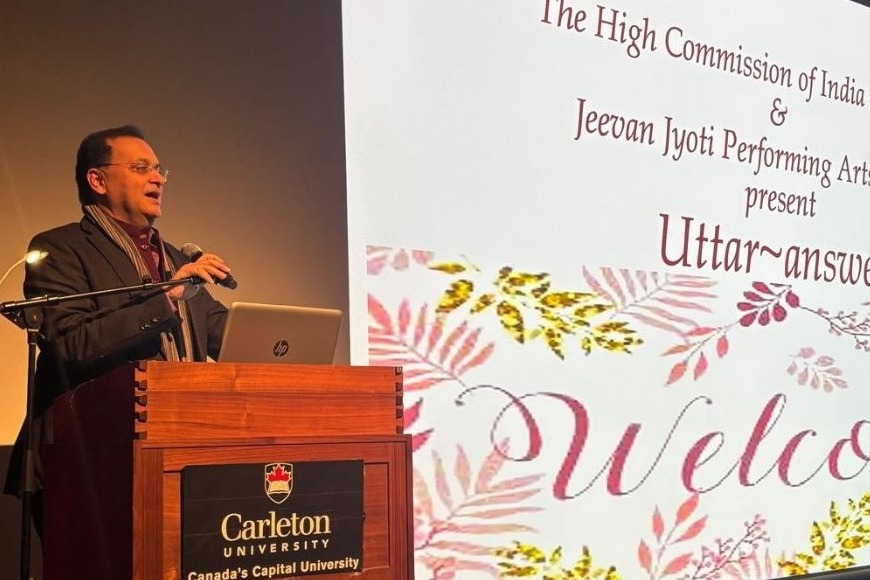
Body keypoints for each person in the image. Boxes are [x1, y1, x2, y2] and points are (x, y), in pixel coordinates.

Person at [3, 125, 232, 534]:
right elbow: (72, 345)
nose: (158, 178)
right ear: (98, 180)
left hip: (175, 453)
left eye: (160, 169)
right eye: (142, 167)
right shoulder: (60, 249)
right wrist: (166, 297)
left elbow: (222, 333)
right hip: (84, 460)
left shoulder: (173, 257)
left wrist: (282, 345)